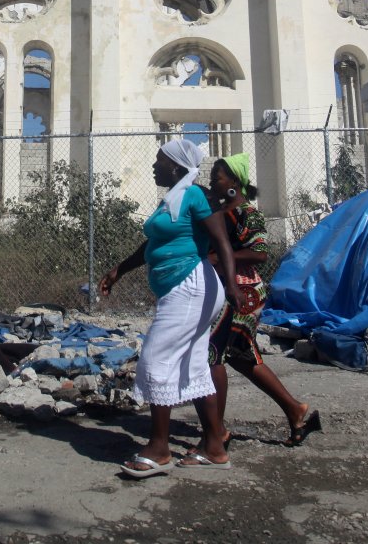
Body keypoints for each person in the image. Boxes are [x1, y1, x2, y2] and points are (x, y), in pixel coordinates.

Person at [98, 139, 241, 478]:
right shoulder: (171, 200)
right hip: (181, 289)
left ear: (176, 166)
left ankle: (159, 448)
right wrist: (120, 269)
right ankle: (214, 448)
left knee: (156, 359)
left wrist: (233, 286)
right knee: (193, 367)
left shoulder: (194, 195)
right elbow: (154, 242)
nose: (153, 166)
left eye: (159, 161)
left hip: (191, 286)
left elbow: (221, 240)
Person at [197, 154, 321, 448]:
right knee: (240, 358)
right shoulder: (220, 211)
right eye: (213, 176)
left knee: (215, 355)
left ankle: (216, 432)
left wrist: (218, 258)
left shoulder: (246, 213)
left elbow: (261, 253)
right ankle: (295, 411)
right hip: (229, 290)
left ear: (234, 182)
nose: (213, 180)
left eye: (218, 176)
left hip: (244, 293)